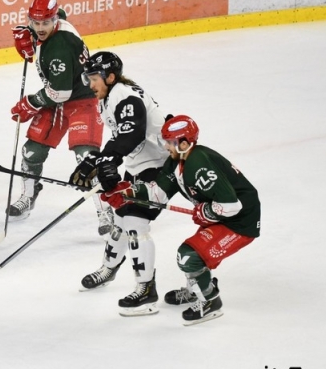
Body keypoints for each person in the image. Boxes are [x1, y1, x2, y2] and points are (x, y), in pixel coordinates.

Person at [101, 115, 261, 325]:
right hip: (222, 215)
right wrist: (129, 192)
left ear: (184, 143)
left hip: (239, 221)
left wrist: (207, 212)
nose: (165, 146)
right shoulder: (177, 161)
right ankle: (195, 291)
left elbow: (231, 205)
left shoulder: (199, 163)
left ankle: (210, 301)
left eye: (169, 142)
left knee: (188, 256)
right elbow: (158, 193)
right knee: (195, 252)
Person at [69, 51, 169, 316]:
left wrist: (107, 160)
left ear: (110, 77)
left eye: (94, 78)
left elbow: (132, 132)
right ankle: (109, 268)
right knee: (121, 220)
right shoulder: (109, 97)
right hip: (139, 165)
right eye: (88, 78)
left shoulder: (124, 95)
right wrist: (98, 160)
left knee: (136, 223)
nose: (90, 84)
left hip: (158, 166)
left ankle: (146, 290)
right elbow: (120, 136)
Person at [9, 0, 111, 235]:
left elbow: (61, 93)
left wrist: (31, 103)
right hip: (57, 98)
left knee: (86, 157)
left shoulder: (59, 48)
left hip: (82, 100)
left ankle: (105, 210)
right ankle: (29, 194)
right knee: (31, 151)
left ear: (54, 20)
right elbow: (58, 14)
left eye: (45, 23)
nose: (40, 27)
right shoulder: (57, 22)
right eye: (35, 22)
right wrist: (31, 35)